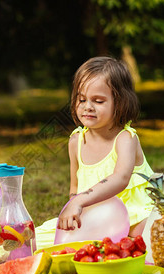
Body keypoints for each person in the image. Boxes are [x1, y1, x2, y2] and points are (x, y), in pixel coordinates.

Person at [57, 56, 154, 237]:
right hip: (96, 217)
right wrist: (73, 207)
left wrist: (79, 202)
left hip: (134, 212)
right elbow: (75, 187)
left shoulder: (125, 138)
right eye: (82, 99)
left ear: (120, 103)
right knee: (42, 239)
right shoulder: (76, 142)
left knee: (144, 233)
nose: (88, 107)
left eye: (98, 101)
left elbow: (120, 178)